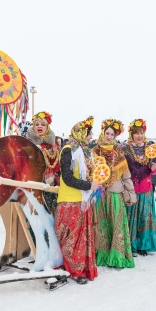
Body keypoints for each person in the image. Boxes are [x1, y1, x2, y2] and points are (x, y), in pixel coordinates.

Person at [54, 116, 100, 284]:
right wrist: (89, 185)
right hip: (70, 201)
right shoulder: (69, 150)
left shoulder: (84, 150)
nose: (90, 137)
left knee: (80, 238)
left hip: (81, 200)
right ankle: (73, 270)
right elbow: (67, 178)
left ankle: (79, 268)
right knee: (71, 239)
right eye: (89, 133)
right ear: (80, 133)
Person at [92, 119, 136, 267]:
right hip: (99, 194)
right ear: (102, 133)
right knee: (101, 226)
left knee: (116, 225)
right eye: (107, 133)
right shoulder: (94, 152)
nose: (109, 136)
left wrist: (130, 195)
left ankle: (117, 257)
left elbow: (126, 176)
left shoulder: (118, 153)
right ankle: (103, 255)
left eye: (112, 134)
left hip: (115, 194)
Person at [122, 118, 156, 256]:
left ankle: (144, 244)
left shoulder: (150, 149)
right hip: (130, 189)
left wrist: (154, 168)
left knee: (144, 218)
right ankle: (131, 245)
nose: (139, 135)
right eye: (136, 133)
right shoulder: (124, 149)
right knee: (131, 217)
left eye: (142, 132)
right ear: (131, 134)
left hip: (145, 189)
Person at [25, 111, 61, 213]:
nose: (39, 126)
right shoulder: (28, 143)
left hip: (51, 186)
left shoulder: (54, 146)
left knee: (50, 214)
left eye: (43, 124)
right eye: (36, 124)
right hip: (33, 186)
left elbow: (57, 165)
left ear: (47, 127)